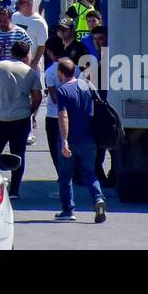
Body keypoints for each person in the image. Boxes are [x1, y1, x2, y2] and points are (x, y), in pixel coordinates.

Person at [50, 57, 106, 223]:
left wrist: (64, 140)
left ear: (60, 72)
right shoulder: (87, 86)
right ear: (74, 70)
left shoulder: (63, 91)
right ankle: (98, 199)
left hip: (72, 139)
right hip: (89, 139)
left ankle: (68, 210)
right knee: (90, 172)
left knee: (66, 175)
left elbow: (63, 116)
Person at [0, 41, 42, 197]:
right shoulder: (30, 73)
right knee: (18, 154)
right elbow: (37, 97)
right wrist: (30, 111)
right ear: (26, 55)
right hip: (20, 118)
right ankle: (15, 190)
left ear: (12, 52)